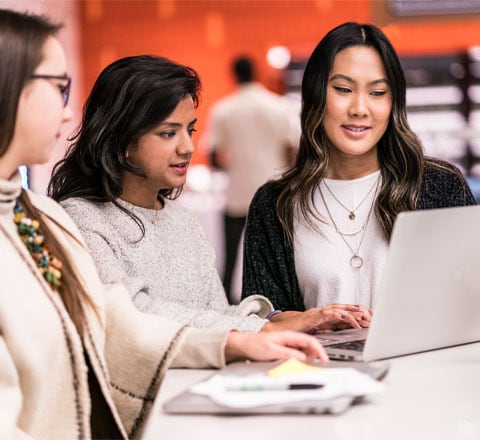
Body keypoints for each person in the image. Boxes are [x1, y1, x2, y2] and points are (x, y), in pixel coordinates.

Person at [0, 9, 328, 439]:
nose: (66, 114)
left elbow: (114, 319)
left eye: (189, 130)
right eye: (59, 88)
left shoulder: (37, 216)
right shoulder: (73, 217)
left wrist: (258, 329)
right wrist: (253, 331)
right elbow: (127, 318)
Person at [48, 54, 365, 335]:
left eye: (190, 130)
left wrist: (298, 319)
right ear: (123, 142)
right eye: (168, 133)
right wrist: (266, 327)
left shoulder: (182, 219)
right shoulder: (80, 219)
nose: (187, 147)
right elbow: (135, 318)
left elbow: (213, 314)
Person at [241, 22, 476, 324]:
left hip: (423, 369)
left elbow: (470, 301)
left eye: (378, 92)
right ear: (316, 95)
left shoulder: (439, 186)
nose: (360, 108)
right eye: (343, 89)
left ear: (393, 103)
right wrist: (310, 320)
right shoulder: (274, 204)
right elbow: (256, 321)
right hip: (319, 370)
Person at [207, 56, 299, 301]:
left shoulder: (224, 109)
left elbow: (215, 156)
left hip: (238, 192)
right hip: (275, 193)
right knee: (283, 257)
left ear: (234, 75)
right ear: (255, 72)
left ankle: (226, 305)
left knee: (230, 259)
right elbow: (292, 152)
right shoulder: (280, 106)